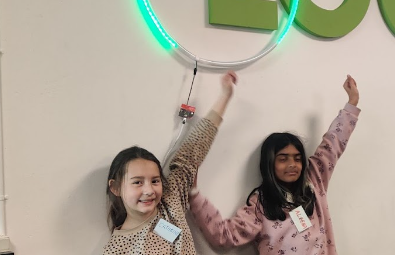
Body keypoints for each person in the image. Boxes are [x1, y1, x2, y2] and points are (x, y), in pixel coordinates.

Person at [190, 75, 361, 255]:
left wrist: (352, 103)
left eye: (297, 158)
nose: (292, 164)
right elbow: (224, 236)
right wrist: (194, 194)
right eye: (283, 159)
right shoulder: (261, 204)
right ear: (270, 163)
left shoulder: (314, 182)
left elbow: (332, 145)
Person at [103, 71, 238, 255]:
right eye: (137, 182)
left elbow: (193, 149)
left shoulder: (169, 201)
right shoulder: (117, 250)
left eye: (155, 181)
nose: (149, 190)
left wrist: (225, 95)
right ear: (115, 188)